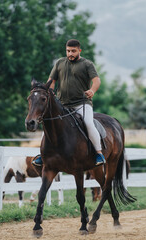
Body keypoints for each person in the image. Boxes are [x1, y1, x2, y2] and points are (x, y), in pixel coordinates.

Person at [32, 39, 106, 167]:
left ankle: (98, 153)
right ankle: (43, 155)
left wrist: (92, 90)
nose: (70, 53)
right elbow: (51, 81)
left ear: (79, 51)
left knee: (88, 123)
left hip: (82, 103)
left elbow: (96, 81)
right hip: (62, 105)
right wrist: (49, 91)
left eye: (73, 51)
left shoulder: (87, 64)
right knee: (48, 126)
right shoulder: (60, 63)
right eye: (68, 51)